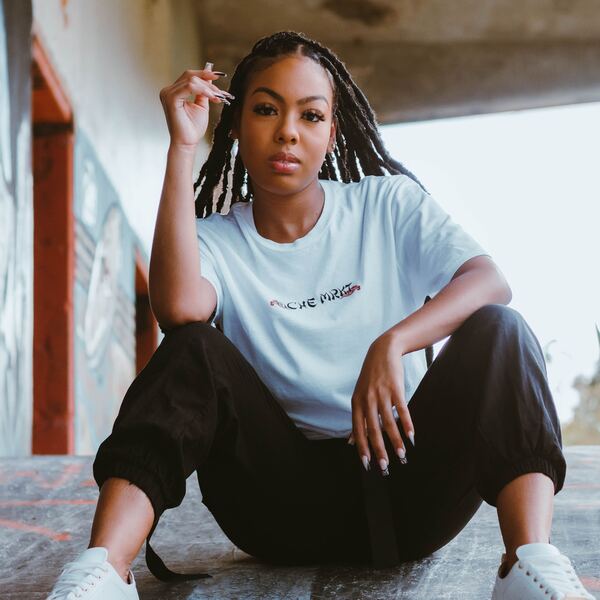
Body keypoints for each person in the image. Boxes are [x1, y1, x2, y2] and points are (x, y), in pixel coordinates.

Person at [46, 31, 594, 600]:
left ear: (331, 133)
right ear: (234, 126)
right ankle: (104, 572)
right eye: (266, 109)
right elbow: (180, 308)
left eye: (310, 116)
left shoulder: (386, 205)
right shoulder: (213, 242)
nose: (288, 131)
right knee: (192, 346)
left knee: (501, 330)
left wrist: (393, 342)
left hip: (408, 495)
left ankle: (528, 566)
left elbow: (490, 282)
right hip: (278, 508)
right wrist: (182, 148)